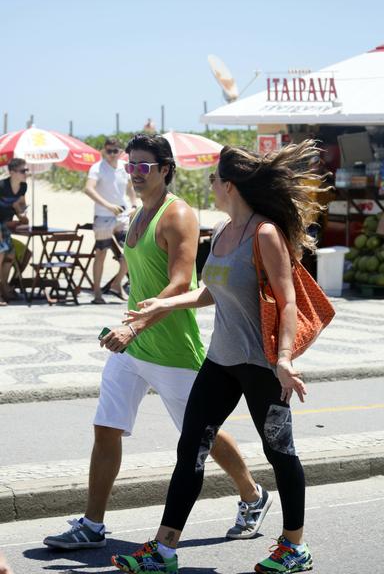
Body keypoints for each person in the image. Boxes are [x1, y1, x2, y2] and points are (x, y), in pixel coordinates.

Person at [43, 134, 271, 551]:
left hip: (171, 349)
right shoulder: (136, 214)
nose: (133, 172)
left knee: (204, 434)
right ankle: (93, 524)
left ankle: (254, 495)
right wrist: (129, 326)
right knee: (106, 427)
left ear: (165, 170)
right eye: (130, 165)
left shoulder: (177, 214)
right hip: (133, 348)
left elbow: (182, 282)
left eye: (142, 166)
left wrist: (136, 325)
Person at [112, 140, 323, 573]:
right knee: (190, 448)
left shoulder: (265, 233)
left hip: (262, 365)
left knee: (280, 452)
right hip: (221, 362)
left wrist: (284, 358)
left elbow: (287, 302)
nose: (208, 185)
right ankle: (164, 550)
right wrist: (164, 304)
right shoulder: (223, 231)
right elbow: (212, 291)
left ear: (228, 185)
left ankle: (294, 546)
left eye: (212, 179)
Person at [85, 137, 138, 304]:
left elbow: (130, 187)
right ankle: (97, 292)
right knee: (101, 253)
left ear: (121, 152)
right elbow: (88, 189)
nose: (112, 154)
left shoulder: (124, 167)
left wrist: (135, 203)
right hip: (103, 215)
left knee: (132, 251)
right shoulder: (97, 168)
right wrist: (108, 206)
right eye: (109, 151)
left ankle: (116, 283)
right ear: (103, 151)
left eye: (116, 151)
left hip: (123, 214)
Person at [0, 159, 29, 306]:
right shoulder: (2, 186)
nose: (26, 174)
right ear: (11, 172)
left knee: (10, 256)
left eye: (26, 170)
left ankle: (4, 286)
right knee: (1, 256)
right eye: (23, 171)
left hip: (6, 226)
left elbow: (19, 204)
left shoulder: (23, 186)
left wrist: (21, 215)